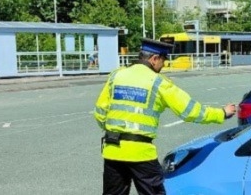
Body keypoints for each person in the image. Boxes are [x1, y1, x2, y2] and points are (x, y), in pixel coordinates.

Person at [93, 39, 237, 195]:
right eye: (163, 60)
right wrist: (222, 113)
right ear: (154, 59)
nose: (163, 66)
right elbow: (191, 111)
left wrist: (115, 130)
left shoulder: (117, 76)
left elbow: (100, 112)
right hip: (141, 154)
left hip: (112, 150)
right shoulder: (158, 82)